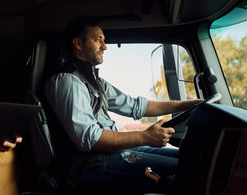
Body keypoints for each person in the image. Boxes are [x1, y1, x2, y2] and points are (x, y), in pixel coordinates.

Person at [45, 16, 203, 192]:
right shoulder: (67, 80)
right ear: (78, 44)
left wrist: (184, 105)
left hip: (108, 153)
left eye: (103, 41)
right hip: (89, 164)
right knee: (185, 170)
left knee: (188, 158)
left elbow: (135, 106)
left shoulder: (95, 81)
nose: (104, 46)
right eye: (98, 40)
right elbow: (89, 138)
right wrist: (145, 136)